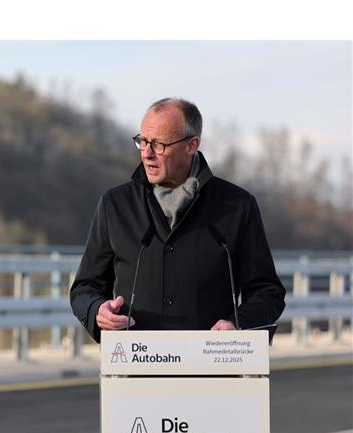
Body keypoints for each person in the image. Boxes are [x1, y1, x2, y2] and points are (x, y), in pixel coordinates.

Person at [70, 98, 286, 342]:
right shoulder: (115, 205)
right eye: (143, 142)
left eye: (159, 145)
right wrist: (98, 310)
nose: (148, 154)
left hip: (212, 367)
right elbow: (84, 288)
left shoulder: (237, 207)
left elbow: (267, 291)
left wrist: (238, 323)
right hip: (134, 367)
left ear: (192, 145)